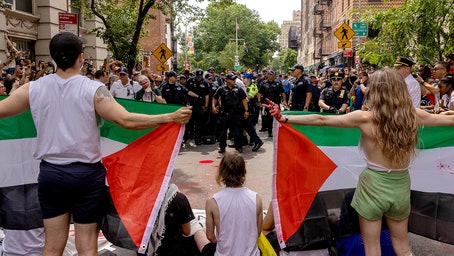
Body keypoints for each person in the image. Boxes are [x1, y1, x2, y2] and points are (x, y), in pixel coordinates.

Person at [0, 32, 192, 256]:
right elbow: (125, 120)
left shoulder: (33, 89)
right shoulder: (93, 89)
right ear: (81, 58)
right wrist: (169, 117)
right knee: (87, 244)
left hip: (50, 173)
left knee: (52, 245)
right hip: (86, 175)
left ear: (52, 58)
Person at [264, 68, 454, 256]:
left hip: (372, 186)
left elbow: (322, 120)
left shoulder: (365, 119)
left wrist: (284, 117)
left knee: (371, 248)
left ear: (374, 91)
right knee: (403, 247)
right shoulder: (413, 115)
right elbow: (448, 121)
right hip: (401, 186)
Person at [205, 152, 263, 255]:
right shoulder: (256, 199)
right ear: (243, 171)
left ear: (222, 172)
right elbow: (257, 233)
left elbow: (210, 236)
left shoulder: (212, 202)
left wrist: (224, 243)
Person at [212, 72, 250, 153]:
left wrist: (246, 110)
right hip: (225, 113)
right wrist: (213, 107)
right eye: (232, 79)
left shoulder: (238, 89)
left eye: (235, 79)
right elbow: (215, 98)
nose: (234, 81)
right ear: (227, 80)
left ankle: (238, 146)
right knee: (223, 131)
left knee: (238, 131)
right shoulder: (221, 89)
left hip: (236, 113)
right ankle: (222, 147)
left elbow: (244, 100)